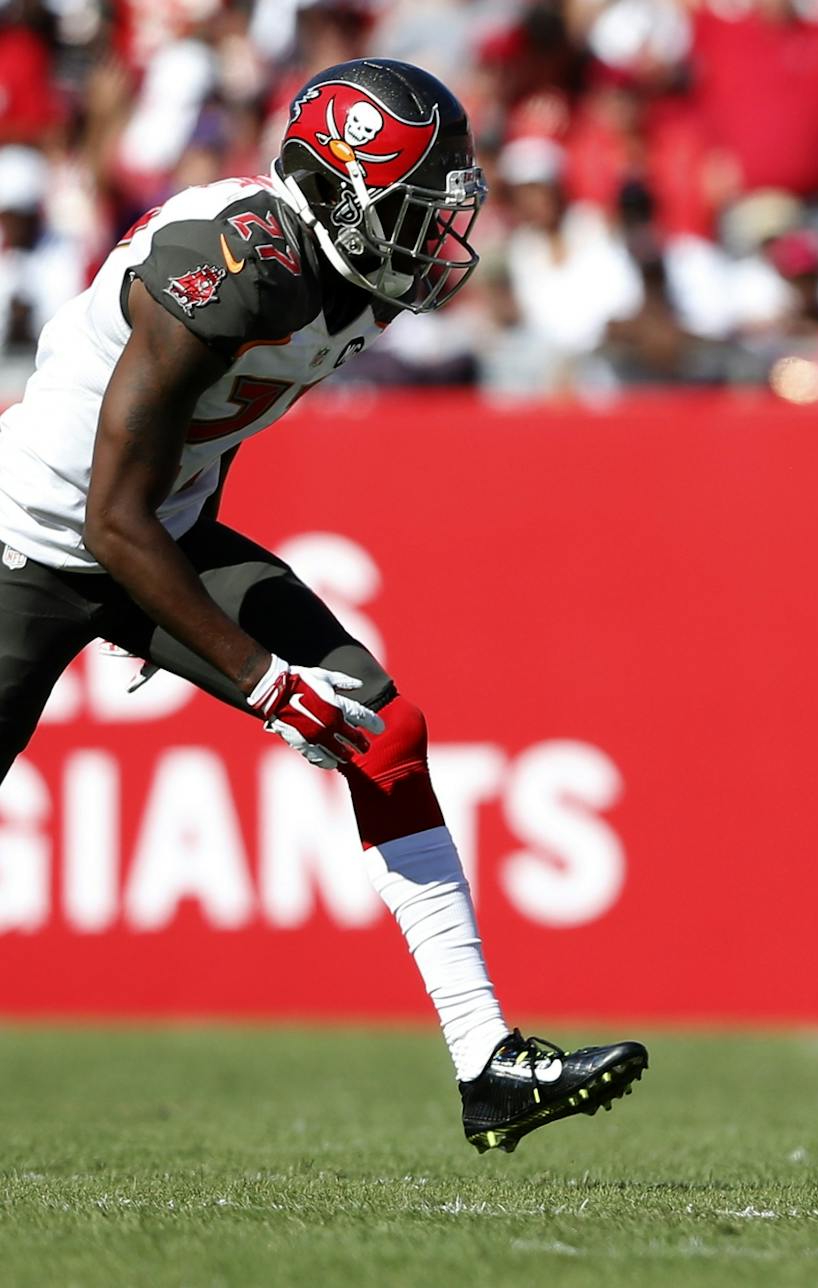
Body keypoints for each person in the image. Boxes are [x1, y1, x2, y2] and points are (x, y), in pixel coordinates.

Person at [0, 59, 648, 1154]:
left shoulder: (347, 279)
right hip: (34, 539)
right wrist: (261, 683)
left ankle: (488, 1061)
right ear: (344, 188)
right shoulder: (231, 266)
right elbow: (109, 519)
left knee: (383, 733)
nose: (439, 227)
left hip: (159, 532)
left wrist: (201, 622)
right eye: (419, 199)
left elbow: (201, 441)